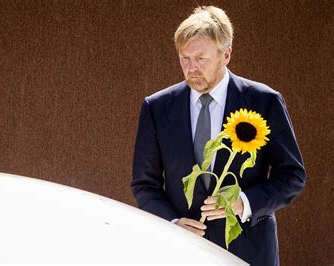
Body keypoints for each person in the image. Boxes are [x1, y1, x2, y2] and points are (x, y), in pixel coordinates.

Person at [131, 6, 306, 266]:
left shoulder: (265, 101)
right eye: (184, 58)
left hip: (249, 252)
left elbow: (292, 176)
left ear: (226, 55)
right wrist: (172, 223)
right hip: (181, 252)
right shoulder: (156, 107)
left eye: (200, 59)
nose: (191, 68)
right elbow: (144, 185)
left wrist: (244, 202)